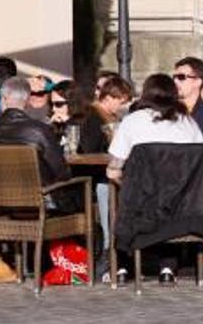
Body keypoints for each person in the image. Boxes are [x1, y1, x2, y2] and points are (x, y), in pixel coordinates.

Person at [106, 73, 203, 284]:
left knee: (119, 197)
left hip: (141, 203)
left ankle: (122, 266)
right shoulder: (188, 122)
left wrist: (133, 185)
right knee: (163, 208)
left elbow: (113, 171)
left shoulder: (132, 121)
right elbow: (200, 161)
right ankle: (167, 268)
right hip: (179, 202)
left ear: (145, 95)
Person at [0, 77, 72, 202]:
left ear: (3, 99)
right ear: (28, 101)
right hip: (39, 203)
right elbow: (62, 173)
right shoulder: (40, 130)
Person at [77, 75, 133, 279]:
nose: (122, 106)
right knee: (105, 187)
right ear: (110, 97)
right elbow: (91, 151)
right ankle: (109, 254)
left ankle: (116, 253)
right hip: (96, 177)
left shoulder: (107, 117)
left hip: (107, 174)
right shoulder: (94, 117)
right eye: (121, 101)